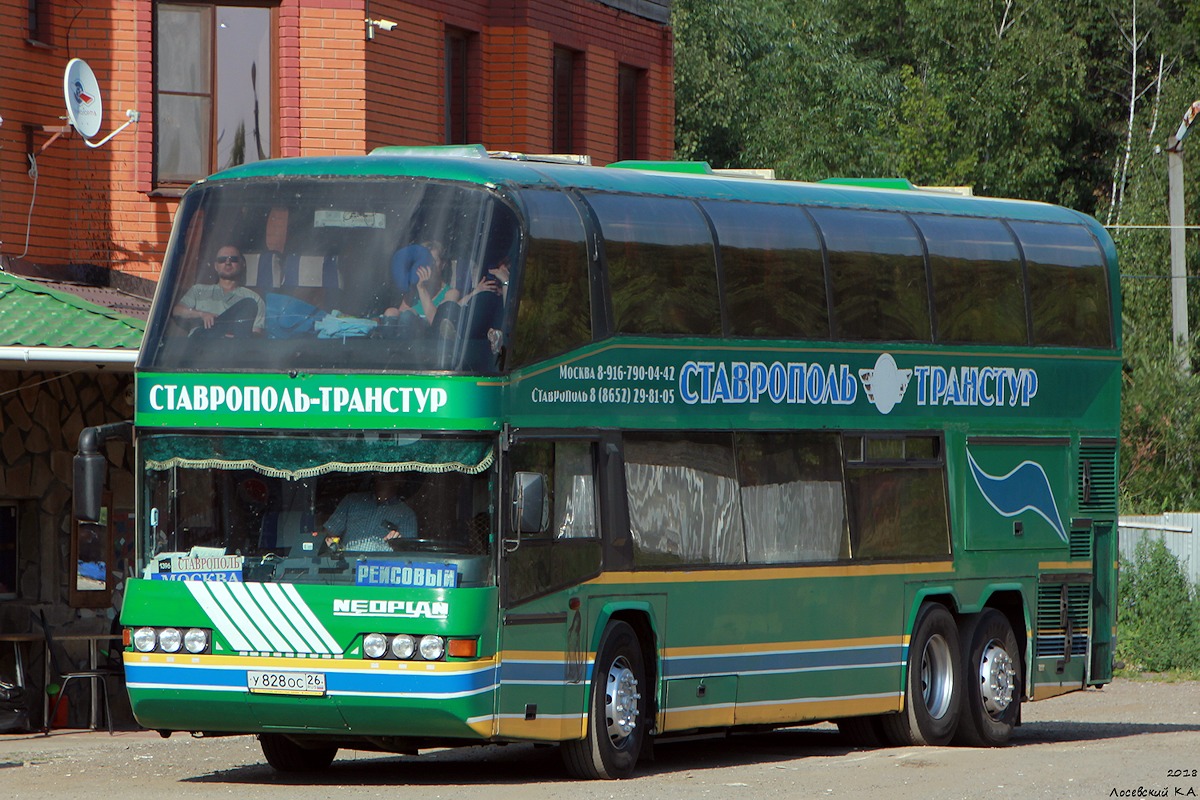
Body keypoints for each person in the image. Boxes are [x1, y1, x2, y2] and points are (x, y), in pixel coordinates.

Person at [174, 245, 266, 337]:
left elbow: (255, 335)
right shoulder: (198, 290)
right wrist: (202, 314)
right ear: (216, 266)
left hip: (232, 347)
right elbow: (177, 311)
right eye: (222, 259)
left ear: (242, 264)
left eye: (233, 259)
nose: (227, 262)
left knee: (248, 304)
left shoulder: (254, 298)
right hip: (200, 344)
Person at [316, 475, 417, 552]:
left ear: (401, 480)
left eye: (392, 471)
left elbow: (408, 554)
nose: (385, 474)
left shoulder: (406, 514)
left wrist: (397, 543)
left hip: (382, 571)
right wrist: (334, 546)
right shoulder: (351, 501)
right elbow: (328, 535)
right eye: (382, 469)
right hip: (346, 569)